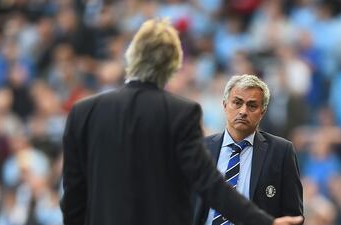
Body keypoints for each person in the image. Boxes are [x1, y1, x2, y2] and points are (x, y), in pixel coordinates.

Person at [60, 18, 303, 225]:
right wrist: (265, 222)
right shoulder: (181, 113)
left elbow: (73, 196)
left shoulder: (83, 112)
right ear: (173, 65)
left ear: (131, 57)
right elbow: (210, 184)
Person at [193, 74, 303, 225]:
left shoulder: (281, 151)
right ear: (224, 105)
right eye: (237, 103)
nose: (243, 111)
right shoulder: (201, 148)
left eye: (252, 105)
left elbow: (293, 215)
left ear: (262, 112)